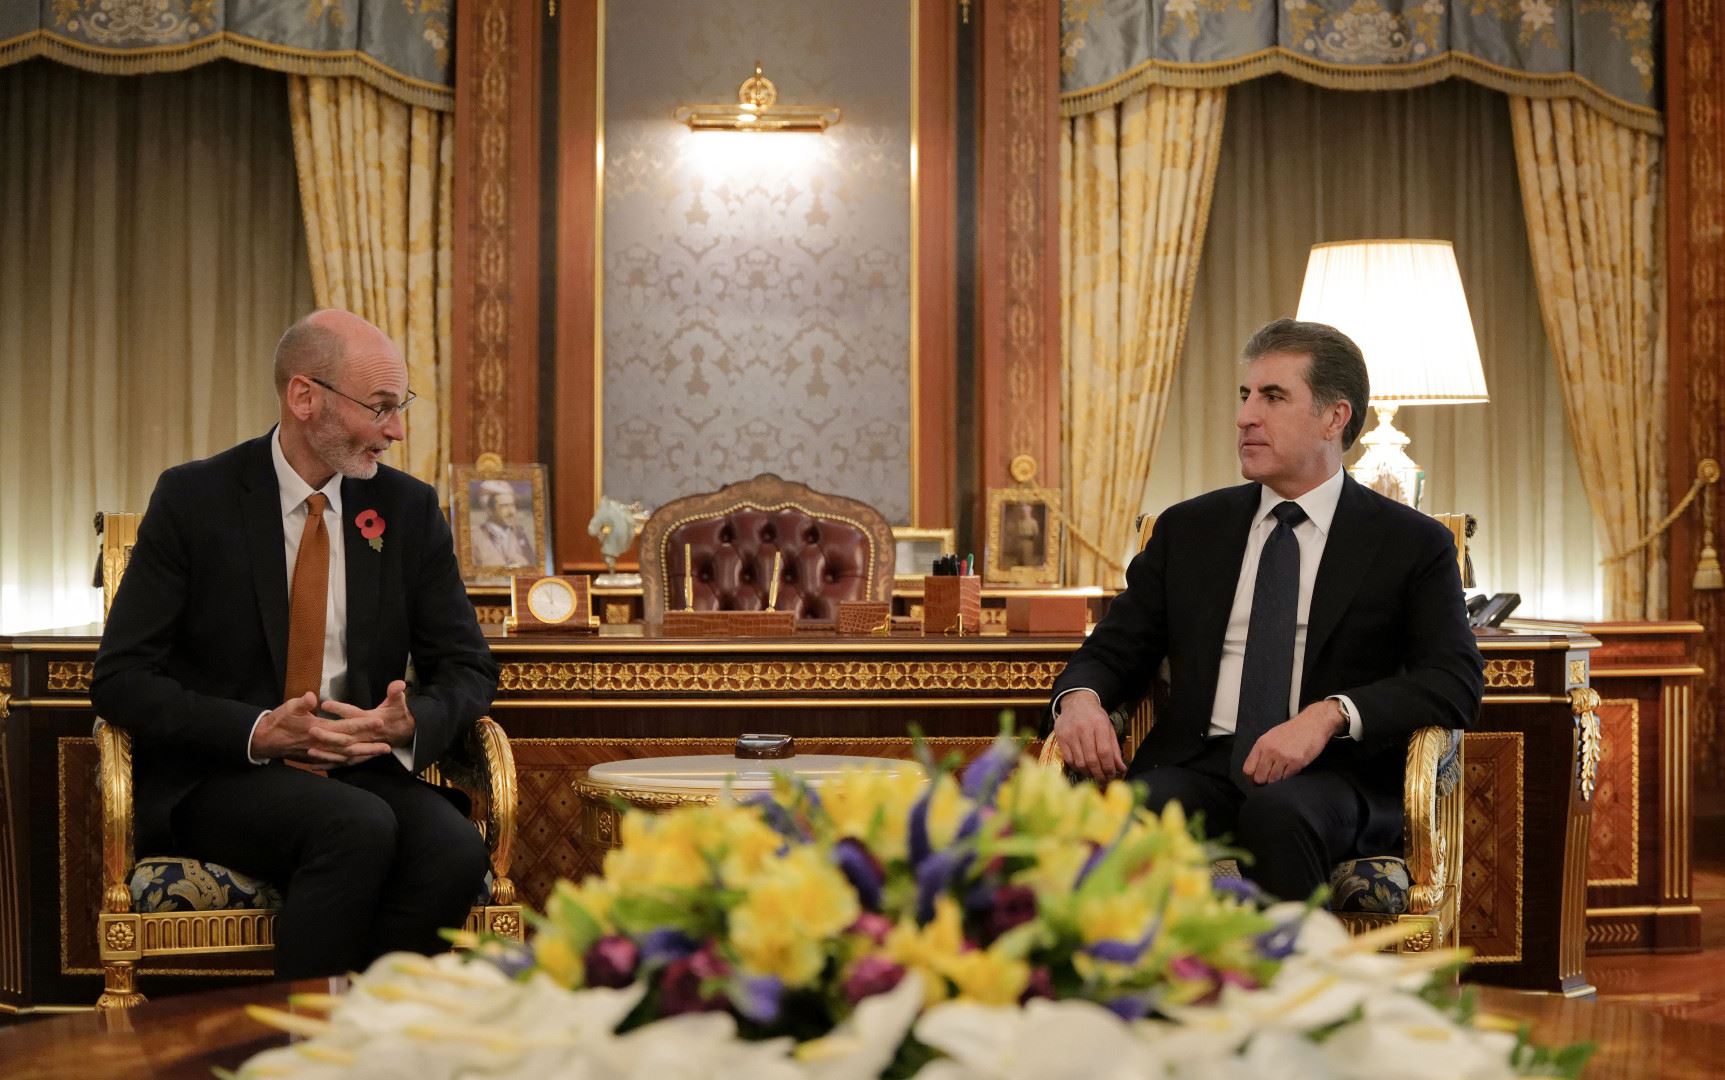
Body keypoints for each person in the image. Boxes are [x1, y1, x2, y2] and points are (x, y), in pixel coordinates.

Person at [92, 309, 500, 979]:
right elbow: (121, 679)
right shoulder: (195, 498)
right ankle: (302, 1033)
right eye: (380, 407)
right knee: (354, 827)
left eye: (400, 408)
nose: (396, 430)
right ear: (305, 397)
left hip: (359, 768)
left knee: (452, 849)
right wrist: (258, 730)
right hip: (223, 773)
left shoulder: (407, 510)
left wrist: (405, 724)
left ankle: (378, 1026)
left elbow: (467, 667)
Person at [1048, 318, 1484, 902]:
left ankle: (1296, 964)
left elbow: (1454, 680)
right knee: (1132, 812)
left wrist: (1329, 715)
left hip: (1333, 775)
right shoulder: (1191, 530)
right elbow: (1112, 649)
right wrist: (1079, 699)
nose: (1245, 416)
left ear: (1335, 417)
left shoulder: (1410, 542)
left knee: (1278, 816)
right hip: (1201, 765)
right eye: (1245, 395)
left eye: (1273, 397)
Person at [470, 482, 538, 568]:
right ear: (489, 510)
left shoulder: (520, 534)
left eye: (513, 505)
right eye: (504, 506)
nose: (511, 512)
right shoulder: (475, 537)